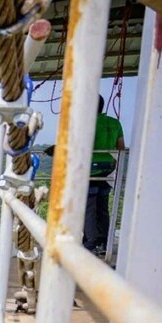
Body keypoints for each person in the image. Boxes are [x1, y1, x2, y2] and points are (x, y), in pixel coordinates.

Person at [45, 95, 125, 253]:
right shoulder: (115, 123)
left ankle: (91, 242)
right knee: (102, 206)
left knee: (88, 207)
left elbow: (72, 144)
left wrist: (55, 149)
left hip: (89, 170)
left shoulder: (84, 124)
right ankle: (104, 241)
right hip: (108, 169)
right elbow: (121, 148)